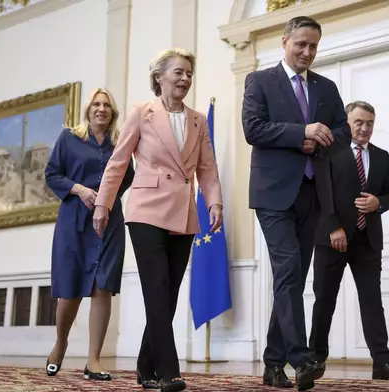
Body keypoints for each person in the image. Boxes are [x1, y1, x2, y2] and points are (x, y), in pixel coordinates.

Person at [93, 48, 223, 392]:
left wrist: (214, 203)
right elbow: (118, 163)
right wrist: (103, 205)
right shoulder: (142, 113)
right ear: (159, 76)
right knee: (157, 288)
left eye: (189, 74)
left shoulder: (198, 119)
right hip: (146, 209)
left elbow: (207, 168)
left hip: (184, 212)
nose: (184, 79)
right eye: (178, 72)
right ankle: (169, 371)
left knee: (169, 293)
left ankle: (144, 366)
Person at [242, 15, 351, 390]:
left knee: (293, 277)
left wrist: (321, 138)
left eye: (313, 46)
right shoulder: (260, 81)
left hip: (312, 194)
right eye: (300, 44)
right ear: (284, 41)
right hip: (273, 194)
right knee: (289, 269)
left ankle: (273, 366)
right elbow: (252, 128)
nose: (307, 52)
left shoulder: (326, 87)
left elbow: (344, 132)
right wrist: (299, 133)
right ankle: (301, 357)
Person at [310, 101, 389, 380]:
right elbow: (321, 193)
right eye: (359, 122)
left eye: (369, 123)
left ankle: (382, 363)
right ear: (347, 122)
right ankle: (315, 361)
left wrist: (378, 203)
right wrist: (333, 228)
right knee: (324, 301)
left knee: (372, 301)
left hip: (368, 240)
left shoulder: (381, 156)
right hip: (332, 239)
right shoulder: (329, 150)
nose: (364, 128)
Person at [44, 88, 135, 381]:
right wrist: (79, 189)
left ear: (113, 112)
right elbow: (52, 174)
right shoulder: (69, 138)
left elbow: (128, 176)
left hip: (109, 221)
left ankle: (94, 359)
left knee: (103, 287)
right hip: (73, 222)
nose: (101, 108)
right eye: (96, 104)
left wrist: (106, 200)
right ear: (88, 110)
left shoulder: (119, 143)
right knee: (70, 290)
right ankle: (60, 343)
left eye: (107, 104)